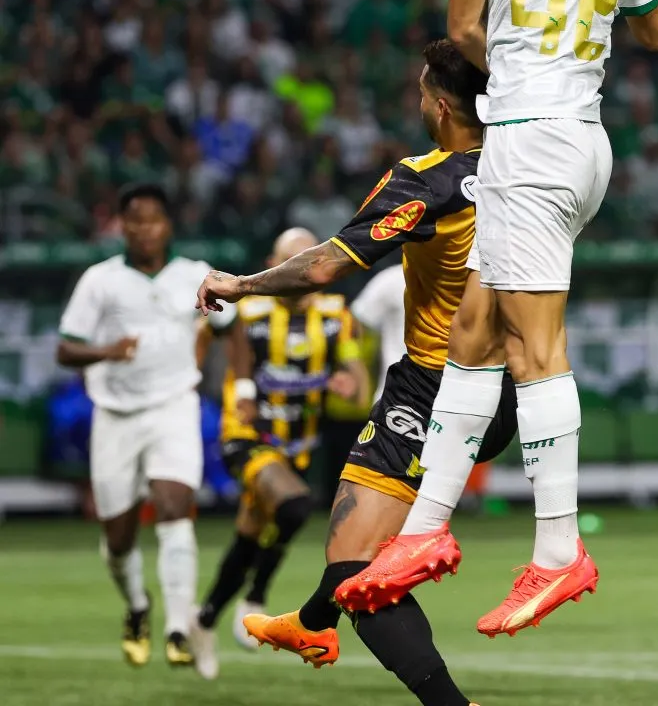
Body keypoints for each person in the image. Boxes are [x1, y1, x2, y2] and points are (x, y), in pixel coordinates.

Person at [336, 0, 658, 639]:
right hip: (579, 140)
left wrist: (523, 64)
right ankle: (422, 531)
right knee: (473, 334)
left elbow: (461, 27)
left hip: (531, 136)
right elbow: (653, 30)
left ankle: (560, 552)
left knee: (534, 350)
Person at [196, 40, 516, 706]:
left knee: (358, 571)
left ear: (442, 103)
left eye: (425, 89)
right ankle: (313, 623)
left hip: (434, 387)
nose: (420, 99)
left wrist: (242, 284)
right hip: (511, 388)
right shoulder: (529, 164)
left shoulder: (427, 179)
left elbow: (323, 267)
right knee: (361, 549)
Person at [57, 182, 242, 668]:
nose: (145, 229)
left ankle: (178, 629)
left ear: (169, 225)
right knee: (118, 537)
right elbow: (65, 348)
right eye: (135, 220)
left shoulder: (196, 275)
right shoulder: (100, 280)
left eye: (154, 219)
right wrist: (106, 351)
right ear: (123, 225)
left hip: (173, 406)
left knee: (174, 506)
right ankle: (138, 605)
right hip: (114, 415)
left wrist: (240, 390)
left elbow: (231, 327)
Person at [189, 228, 367, 679]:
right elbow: (206, 335)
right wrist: (198, 380)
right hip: (245, 435)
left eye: (308, 259)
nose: (302, 270)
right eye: (291, 260)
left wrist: (348, 382)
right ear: (275, 264)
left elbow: (357, 382)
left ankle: (204, 618)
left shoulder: (335, 314)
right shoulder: (250, 309)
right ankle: (256, 598)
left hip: (298, 445)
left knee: (251, 534)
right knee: (294, 505)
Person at [350, 262, 406, 401]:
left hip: (457, 396)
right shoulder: (394, 279)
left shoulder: (467, 280)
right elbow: (357, 325)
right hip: (398, 395)